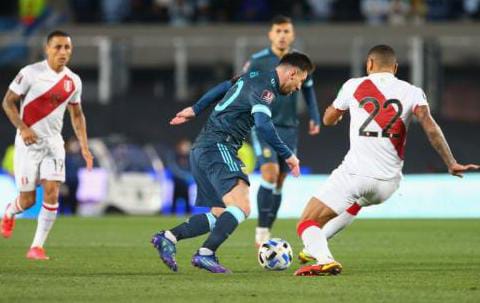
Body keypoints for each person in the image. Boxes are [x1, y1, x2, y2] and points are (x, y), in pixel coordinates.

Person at [293, 44, 479, 276]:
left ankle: (324, 258)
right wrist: (451, 162)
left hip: (355, 175)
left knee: (306, 222)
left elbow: (329, 119)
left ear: (369, 64)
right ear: (396, 67)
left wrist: (337, 111)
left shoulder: (354, 86)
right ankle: (314, 247)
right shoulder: (412, 91)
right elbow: (431, 128)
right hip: (388, 184)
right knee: (355, 203)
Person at [151, 52, 314, 274]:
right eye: (301, 81)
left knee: (219, 213)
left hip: (202, 149)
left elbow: (223, 86)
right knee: (242, 206)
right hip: (219, 147)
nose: (298, 88)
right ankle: (205, 254)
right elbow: (264, 125)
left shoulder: (253, 74)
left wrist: (195, 109)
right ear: (292, 73)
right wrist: (288, 155)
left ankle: (168, 237)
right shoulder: (266, 89)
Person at [0, 30, 93, 260]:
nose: (63, 52)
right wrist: (23, 127)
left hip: (53, 144)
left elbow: (77, 115)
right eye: (58, 47)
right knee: (28, 200)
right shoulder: (30, 73)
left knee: (52, 192)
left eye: (67, 48)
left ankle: (36, 247)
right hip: (27, 144)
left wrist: (84, 146)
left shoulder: (73, 81)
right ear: (47, 49)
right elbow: (8, 102)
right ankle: (9, 213)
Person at [243, 15, 321, 246]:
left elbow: (308, 90)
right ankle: (260, 231)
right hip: (263, 124)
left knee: (279, 180)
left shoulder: (299, 62)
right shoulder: (257, 61)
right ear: (270, 34)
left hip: (288, 126)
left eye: (286, 31)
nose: (282, 35)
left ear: (293, 35)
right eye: (278, 31)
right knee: (268, 172)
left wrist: (315, 116)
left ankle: (266, 227)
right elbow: (242, 86)